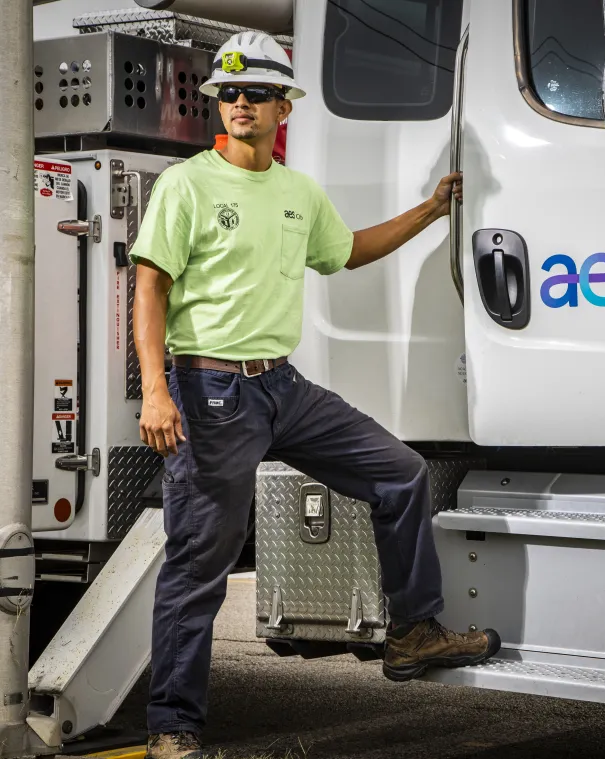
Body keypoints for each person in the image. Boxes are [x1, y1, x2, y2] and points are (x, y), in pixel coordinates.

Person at [129, 32, 501, 759]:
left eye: (256, 92)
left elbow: (347, 252)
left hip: (281, 385)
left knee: (401, 473)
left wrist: (429, 213)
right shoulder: (188, 185)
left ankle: (411, 632)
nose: (240, 102)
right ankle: (171, 725)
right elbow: (150, 287)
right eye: (229, 92)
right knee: (198, 565)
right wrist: (154, 389)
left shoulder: (297, 192)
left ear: (284, 106)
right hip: (208, 389)